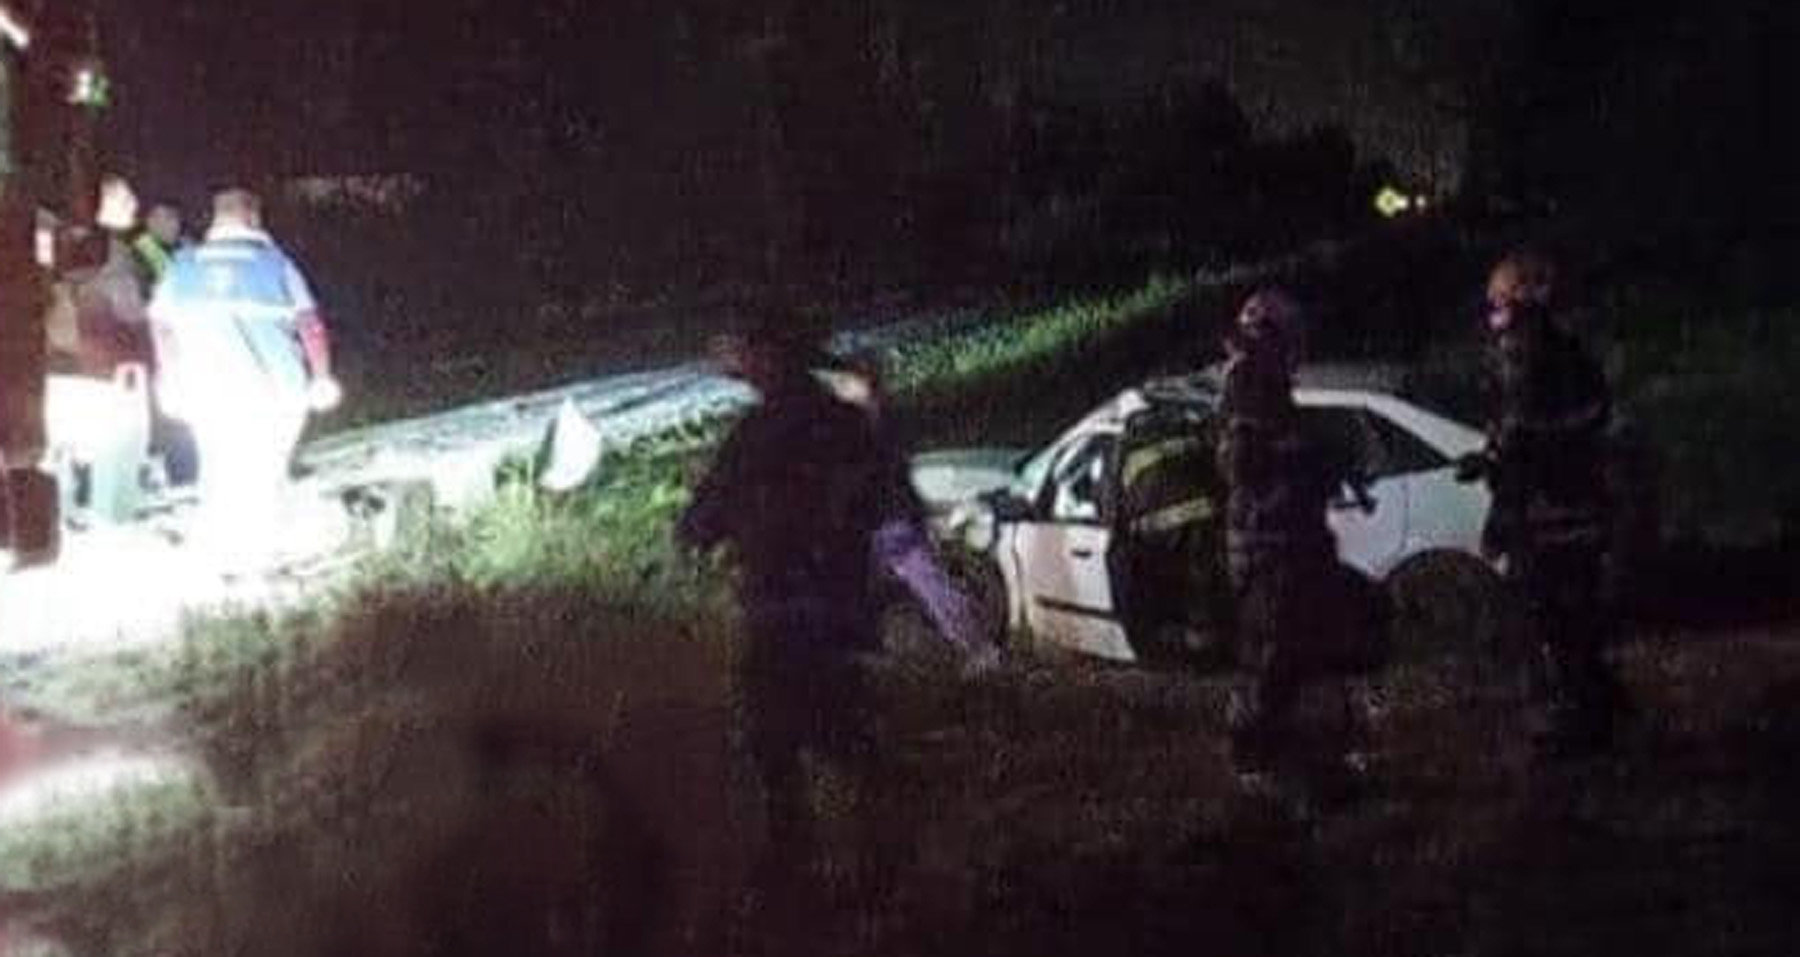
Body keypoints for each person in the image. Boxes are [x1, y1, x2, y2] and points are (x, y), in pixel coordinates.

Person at [675, 320, 885, 880]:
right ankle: (878, 841)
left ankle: (795, 850)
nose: (735, 363)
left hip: (781, 598)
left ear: (769, 356)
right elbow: (881, 495)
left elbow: (702, 520)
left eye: (742, 351)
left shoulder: (759, 432)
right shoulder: (844, 421)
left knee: (771, 730)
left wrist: (702, 528)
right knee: (838, 716)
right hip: (842, 598)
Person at [1459, 250, 1625, 758]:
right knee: (1576, 625)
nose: (1494, 323)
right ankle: (1595, 711)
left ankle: (1574, 724)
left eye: (1498, 309)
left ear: (1520, 310)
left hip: (1545, 521)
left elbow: (1522, 444)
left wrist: (1496, 485)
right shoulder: (1573, 357)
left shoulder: (1528, 363)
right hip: (1579, 515)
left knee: (1549, 624)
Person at [147, 188, 339, 564]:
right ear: (254, 218)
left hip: (207, 390)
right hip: (274, 390)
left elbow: (161, 324)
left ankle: (223, 551)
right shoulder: (276, 264)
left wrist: (170, 376)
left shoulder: (184, 265)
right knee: (265, 470)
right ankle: (263, 553)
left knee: (219, 465)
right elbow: (310, 324)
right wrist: (321, 377)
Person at [1215, 288, 1351, 782]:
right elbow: (1246, 464)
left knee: (1290, 652)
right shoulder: (1250, 383)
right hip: (1268, 543)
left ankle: (1287, 758)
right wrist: (1311, 458)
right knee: (1269, 655)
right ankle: (1253, 761)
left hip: (1285, 540)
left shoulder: (1262, 383)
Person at [822, 356, 1000, 672]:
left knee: (909, 587)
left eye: (842, 383)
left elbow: (864, 479)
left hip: (882, 523)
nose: (836, 390)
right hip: (892, 519)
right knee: (928, 585)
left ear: (861, 385)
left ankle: (975, 649)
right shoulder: (882, 420)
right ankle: (977, 648)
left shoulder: (862, 427)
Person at [131, 202, 184, 288]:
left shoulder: (185, 246)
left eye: (170, 217)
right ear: (148, 221)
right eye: (154, 216)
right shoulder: (145, 248)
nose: (161, 224)